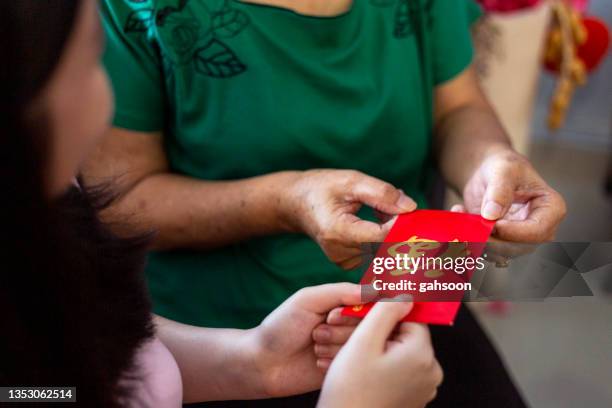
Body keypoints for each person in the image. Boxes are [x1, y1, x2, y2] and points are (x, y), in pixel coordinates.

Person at [87, 0, 566, 406]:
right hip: (213, 341)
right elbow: (119, 201)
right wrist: (286, 200)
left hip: (408, 302)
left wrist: (490, 165)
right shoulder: (130, 14)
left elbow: (459, 108)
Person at [0, 0, 443, 407]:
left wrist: (254, 361)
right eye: (94, 60)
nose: (113, 95)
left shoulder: (52, 225)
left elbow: (78, 378)